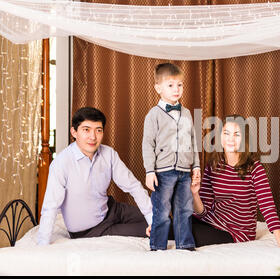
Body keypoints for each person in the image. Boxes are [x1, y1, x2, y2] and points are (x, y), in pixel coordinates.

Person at [37, 107, 153, 245]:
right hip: (91, 230)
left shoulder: (108, 154)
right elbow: (50, 206)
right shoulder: (61, 163)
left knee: (163, 221)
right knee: (166, 230)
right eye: (86, 130)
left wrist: (153, 220)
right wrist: (42, 246)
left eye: (98, 130)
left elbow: (133, 186)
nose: (93, 137)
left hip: (112, 209)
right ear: (74, 132)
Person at [190, 115, 280, 247]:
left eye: (236, 134)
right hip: (212, 221)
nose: (230, 139)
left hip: (237, 231)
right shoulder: (213, 165)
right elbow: (203, 212)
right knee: (177, 223)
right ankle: (154, 230)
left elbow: (267, 206)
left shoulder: (254, 168)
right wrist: (195, 194)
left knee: (185, 232)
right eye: (226, 133)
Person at [142, 63, 200, 251]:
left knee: (184, 208)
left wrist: (196, 166)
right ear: (158, 88)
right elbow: (148, 144)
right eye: (170, 85)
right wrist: (150, 171)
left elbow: (192, 141)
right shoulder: (153, 115)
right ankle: (158, 245)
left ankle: (185, 244)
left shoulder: (187, 113)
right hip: (163, 172)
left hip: (184, 171)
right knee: (162, 210)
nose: (177, 89)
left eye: (180, 85)